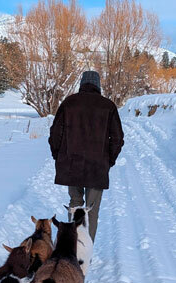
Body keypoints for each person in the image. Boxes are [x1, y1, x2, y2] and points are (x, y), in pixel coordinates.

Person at [48, 70, 124, 242]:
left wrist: (58, 156)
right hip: (97, 166)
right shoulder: (108, 106)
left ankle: (71, 246)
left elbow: (55, 134)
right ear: (98, 85)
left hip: (71, 163)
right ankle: (85, 250)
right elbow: (118, 139)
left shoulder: (69, 103)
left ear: (82, 84)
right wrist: (108, 161)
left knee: (74, 204)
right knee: (91, 209)